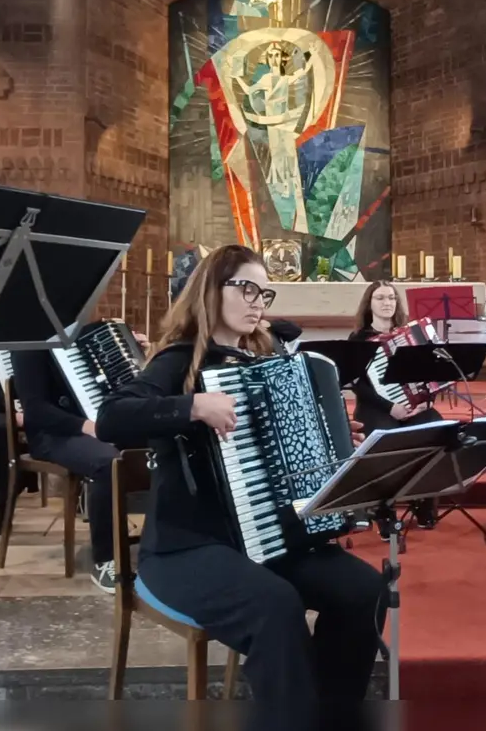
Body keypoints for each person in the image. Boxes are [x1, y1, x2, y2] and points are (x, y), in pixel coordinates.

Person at [95, 245, 385, 715]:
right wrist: (192, 407)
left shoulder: (262, 361)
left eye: (264, 293)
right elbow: (111, 419)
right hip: (185, 549)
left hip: (263, 541)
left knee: (363, 590)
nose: (257, 301)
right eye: (246, 288)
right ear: (211, 291)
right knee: (276, 605)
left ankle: (331, 713)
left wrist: (329, 439)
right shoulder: (178, 360)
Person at [8, 322, 142, 594]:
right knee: (109, 463)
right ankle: (106, 560)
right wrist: (87, 426)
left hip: (95, 424)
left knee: (168, 440)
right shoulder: (28, 341)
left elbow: (111, 384)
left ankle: (164, 544)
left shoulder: (84, 332)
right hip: (52, 435)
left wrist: (131, 355)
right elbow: (35, 411)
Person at [348, 280, 442, 529]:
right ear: (369, 303)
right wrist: (391, 407)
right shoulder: (359, 339)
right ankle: (383, 509)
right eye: (380, 298)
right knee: (385, 439)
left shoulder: (411, 334)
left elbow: (429, 374)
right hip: (376, 407)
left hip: (415, 406)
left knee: (436, 427)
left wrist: (425, 401)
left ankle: (423, 500)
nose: (387, 302)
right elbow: (359, 385)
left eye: (391, 298)